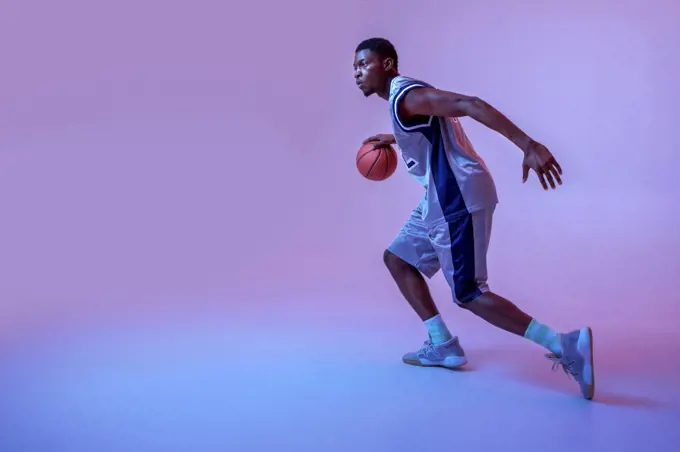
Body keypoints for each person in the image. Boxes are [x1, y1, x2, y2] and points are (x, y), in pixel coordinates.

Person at [353, 37, 594, 400]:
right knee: (398, 258)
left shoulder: (408, 97)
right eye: (354, 67)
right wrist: (397, 137)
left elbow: (470, 104)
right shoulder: (404, 103)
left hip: (457, 197)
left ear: (387, 65)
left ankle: (565, 343)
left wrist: (529, 145)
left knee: (469, 293)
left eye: (363, 64)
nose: (357, 73)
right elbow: (433, 128)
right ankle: (442, 345)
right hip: (440, 195)